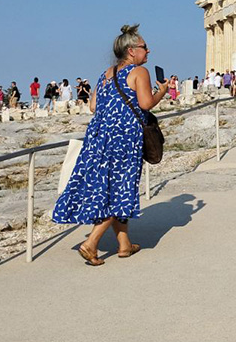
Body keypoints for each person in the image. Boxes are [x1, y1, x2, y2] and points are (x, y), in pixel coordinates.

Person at [53, 24, 170, 266]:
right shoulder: (139, 72)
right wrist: (162, 92)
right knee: (121, 189)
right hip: (124, 138)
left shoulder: (106, 74)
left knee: (108, 187)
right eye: (144, 47)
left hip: (98, 137)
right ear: (131, 51)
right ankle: (91, 243)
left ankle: (124, 244)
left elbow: (93, 106)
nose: (148, 51)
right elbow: (146, 104)